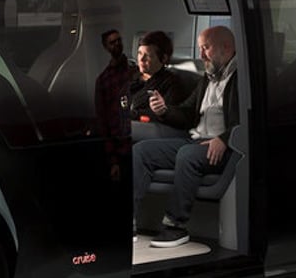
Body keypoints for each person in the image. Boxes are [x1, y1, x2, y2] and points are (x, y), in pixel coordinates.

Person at [131, 25, 239, 248]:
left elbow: (249, 119)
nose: (201, 55)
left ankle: (175, 226)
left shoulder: (242, 79)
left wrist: (225, 138)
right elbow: (187, 112)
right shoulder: (207, 78)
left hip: (222, 147)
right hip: (194, 140)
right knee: (141, 150)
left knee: (187, 154)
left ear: (226, 47)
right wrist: (165, 110)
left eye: (206, 48)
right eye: (200, 48)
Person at [93, 29, 136, 182]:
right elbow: (102, 120)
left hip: (136, 138)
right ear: (106, 47)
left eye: (119, 40)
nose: (117, 44)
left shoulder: (133, 70)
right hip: (119, 146)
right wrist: (113, 160)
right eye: (112, 42)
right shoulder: (104, 80)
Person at [128, 30, 191, 123]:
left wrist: (133, 114)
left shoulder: (171, 83)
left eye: (148, 55)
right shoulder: (131, 75)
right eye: (139, 53)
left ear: (164, 58)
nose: (141, 59)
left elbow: (167, 116)